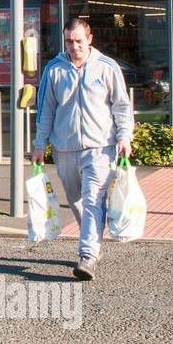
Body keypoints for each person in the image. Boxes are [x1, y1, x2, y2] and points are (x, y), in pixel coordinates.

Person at [31, 18, 134, 281]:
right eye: (69, 41)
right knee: (76, 201)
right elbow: (46, 110)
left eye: (79, 40)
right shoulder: (54, 69)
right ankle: (94, 241)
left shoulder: (106, 67)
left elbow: (121, 106)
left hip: (100, 148)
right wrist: (39, 144)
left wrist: (125, 136)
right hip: (65, 149)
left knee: (92, 201)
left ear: (90, 39)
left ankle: (87, 255)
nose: (74, 46)